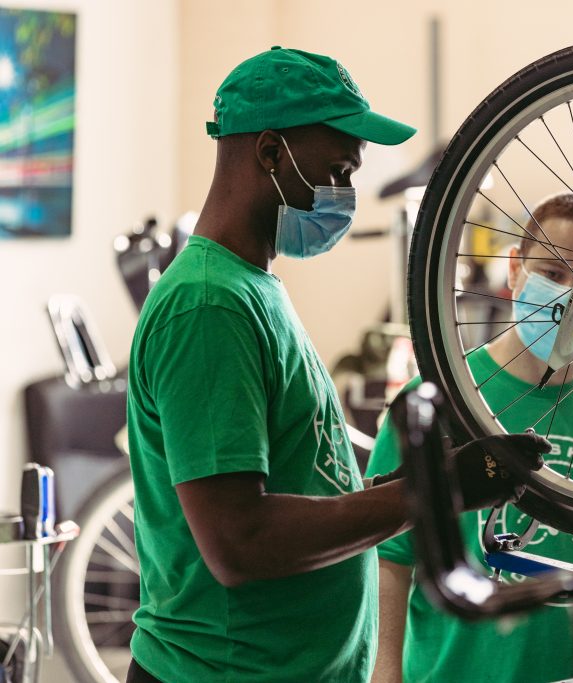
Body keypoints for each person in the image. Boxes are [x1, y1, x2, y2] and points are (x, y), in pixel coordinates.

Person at [125, 46, 549, 683]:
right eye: (337, 170)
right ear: (271, 153)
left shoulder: (253, 287)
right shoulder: (208, 305)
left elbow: (310, 495)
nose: (345, 194)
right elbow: (239, 541)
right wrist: (437, 491)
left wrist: (434, 478)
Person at [367, 192, 573, 683]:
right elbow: (388, 562)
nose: (569, 295)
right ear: (514, 270)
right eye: (552, 274)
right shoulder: (432, 402)